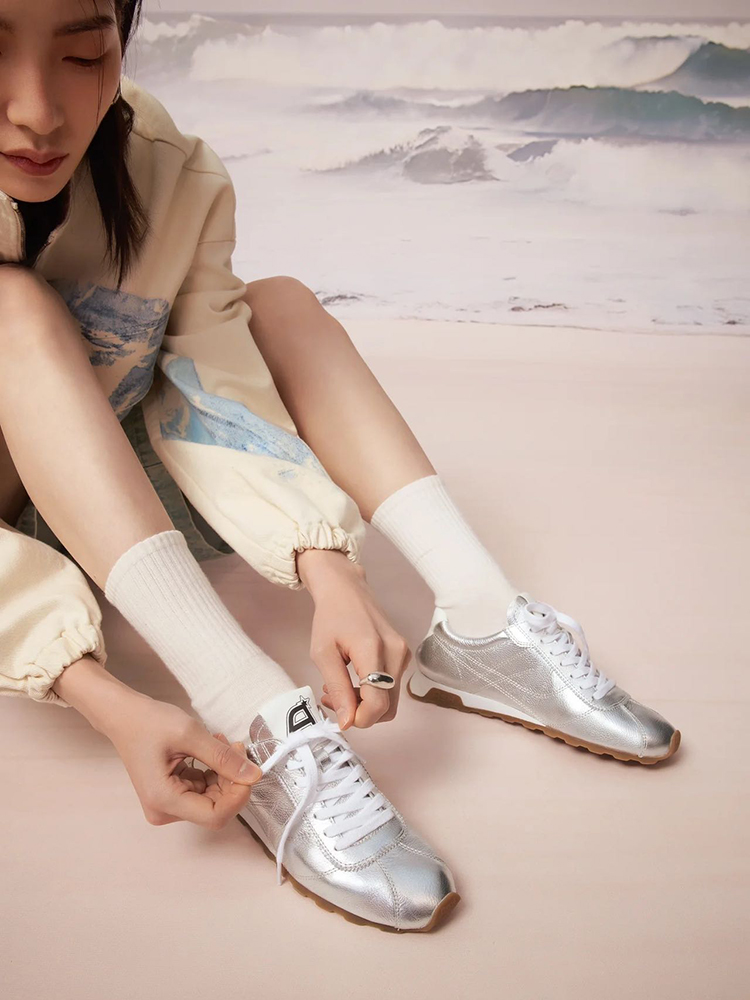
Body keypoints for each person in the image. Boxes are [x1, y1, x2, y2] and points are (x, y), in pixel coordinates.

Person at [0, 1, 679, 932]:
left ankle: (479, 618)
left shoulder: (166, 166)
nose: (38, 110)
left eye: (83, 56)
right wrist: (103, 698)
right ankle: (249, 707)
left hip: (121, 510)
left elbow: (213, 385)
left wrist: (330, 568)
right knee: (13, 314)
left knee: (277, 303)